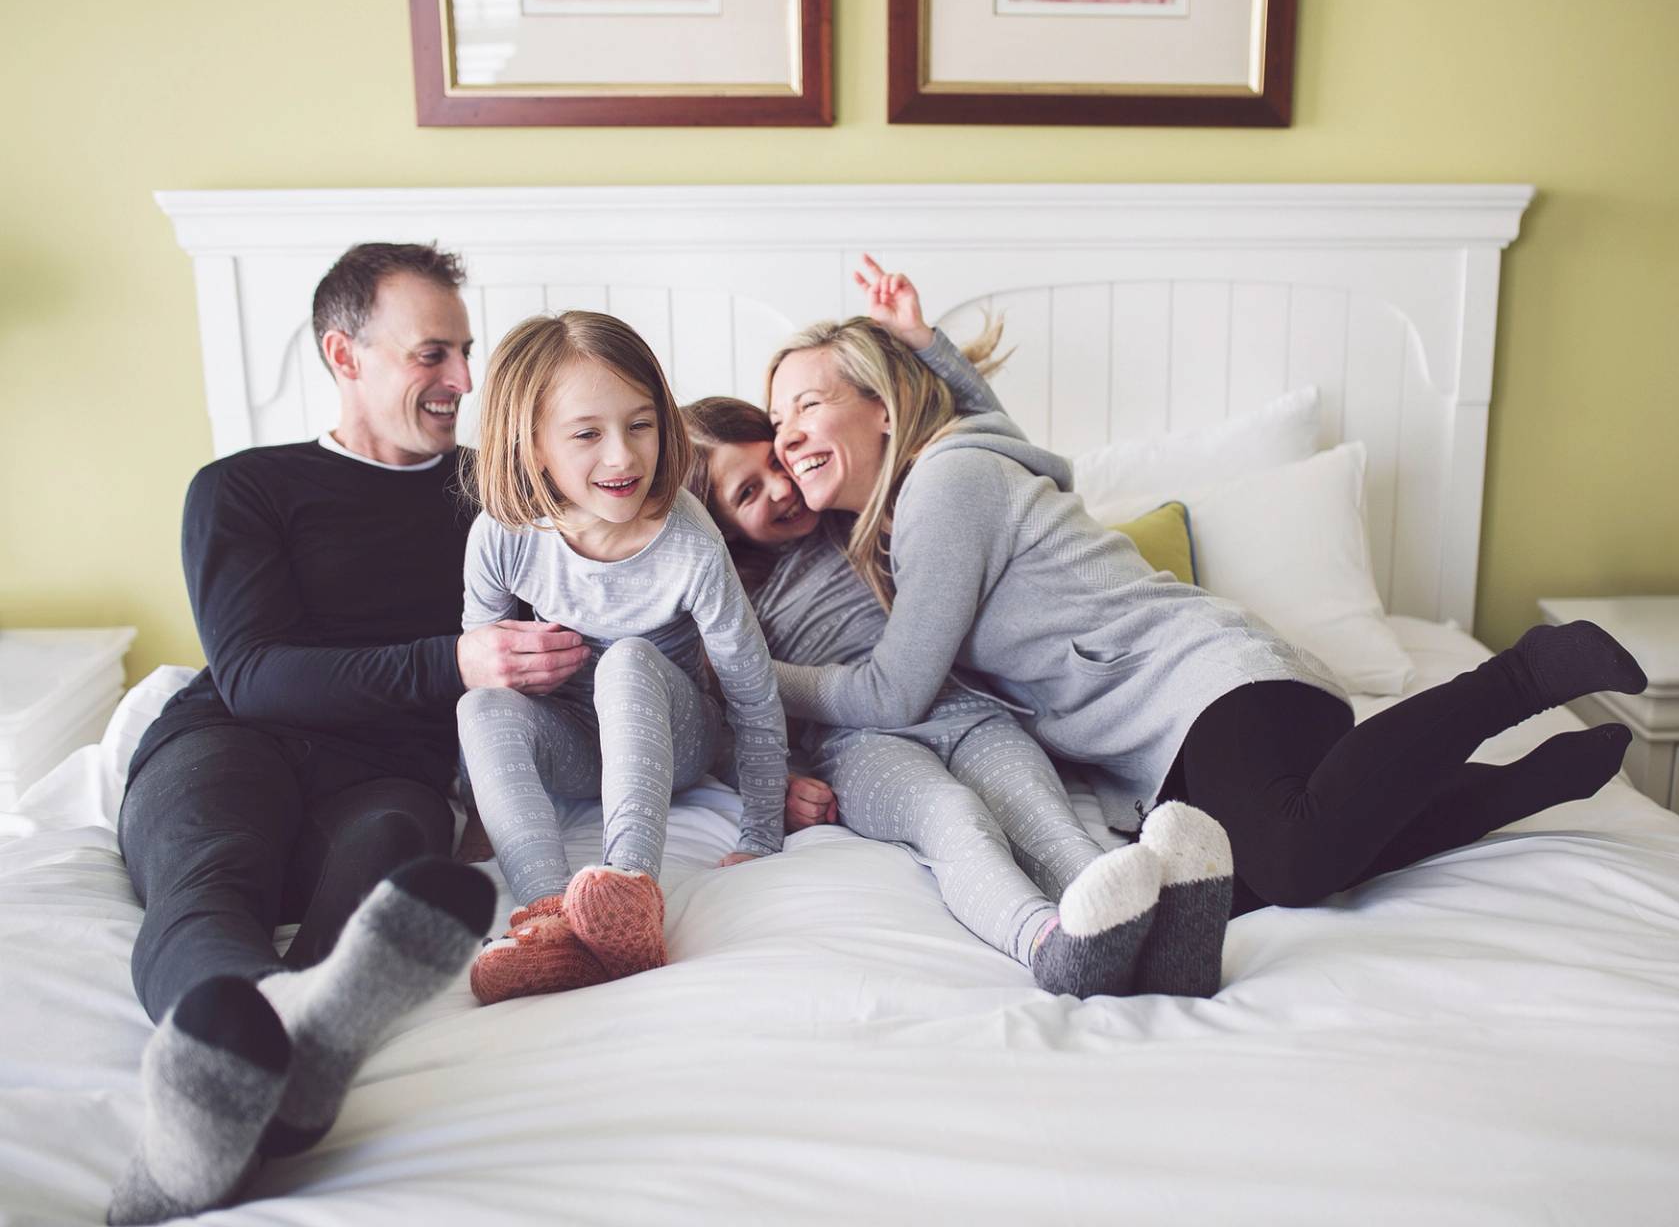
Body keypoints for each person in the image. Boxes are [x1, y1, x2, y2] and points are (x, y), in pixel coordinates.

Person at [761, 259, 1644, 965]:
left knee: (1294, 862)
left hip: (1210, 683)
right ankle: (1531, 782)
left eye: (808, 403)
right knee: (1231, 889)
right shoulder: (959, 475)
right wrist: (933, 345)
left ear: (883, 407)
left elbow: (895, 691)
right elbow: (992, 426)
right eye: (775, 420)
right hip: (1159, 737)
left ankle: (1523, 674)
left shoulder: (946, 483)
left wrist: (755, 679)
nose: (787, 433)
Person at [109, 243, 590, 1224]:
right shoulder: (245, 488)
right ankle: (266, 1029)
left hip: (389, 774)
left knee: (400, 857)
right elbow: (252, 674)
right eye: (432, 355)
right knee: (213, 876)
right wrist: (456, 659)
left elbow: (630, 586)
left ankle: (264, 1079)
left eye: (466, 352)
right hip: (230, 740)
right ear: (345, 353)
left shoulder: (499, 498)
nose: (463, 381)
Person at [680, 266, 1228, 998]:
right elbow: (714, 707)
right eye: (748, 492)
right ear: (717, 526)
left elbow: (984, 440)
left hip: (966, 708)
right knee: (953, 818)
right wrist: (770, 780)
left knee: (1044, 811)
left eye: (777, 458)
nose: (781, 485)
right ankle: (1046, 941)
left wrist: (926, 345)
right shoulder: (729, 597)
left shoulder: (860, 511)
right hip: (858, 743)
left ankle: (1154, 940)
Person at [457, 310, 790, 1005]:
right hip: (578, 748)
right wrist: (475, 820)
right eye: (587, 434)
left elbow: (750, 692)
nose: (623, 457)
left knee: (627, 660)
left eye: (641, 425)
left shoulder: (689, 540)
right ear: (534, 445)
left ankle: (629, 892)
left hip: (676, 736)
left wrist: (762, 828)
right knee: (480, 699)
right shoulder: (504, 537)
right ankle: (549, 922)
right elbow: (490, 667)